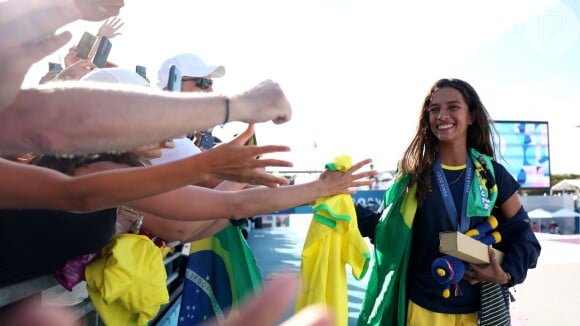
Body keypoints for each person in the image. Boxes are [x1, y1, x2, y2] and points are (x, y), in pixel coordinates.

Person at [356, 78, 541, 325]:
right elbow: (386, 231)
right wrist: (338, 202)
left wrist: (505, 273)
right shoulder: (413, 177)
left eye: (453, 107)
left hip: (480, 311)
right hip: (423, 309)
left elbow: (524, 234)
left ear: (471, 116)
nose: (442, 115)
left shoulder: (491, 175)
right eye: (434, 109)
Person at [0, 1, 292, 155]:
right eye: (202, 82)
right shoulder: (138, 100)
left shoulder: (178, 129)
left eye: (210, 84)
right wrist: (237, 107)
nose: (209, 89)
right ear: (175, 81)